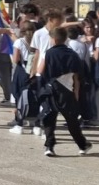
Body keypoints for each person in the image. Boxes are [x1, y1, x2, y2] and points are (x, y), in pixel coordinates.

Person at [37, 26, 92, 157]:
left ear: (54, 39)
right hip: (67, 90)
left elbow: (40, 70)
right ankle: (82, 145)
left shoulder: (48, 53)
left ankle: (49, 146)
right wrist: (76, 93)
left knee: (49, 118)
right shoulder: (72, 54)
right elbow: (77, 77)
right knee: (72, 120)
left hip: (51, 90)